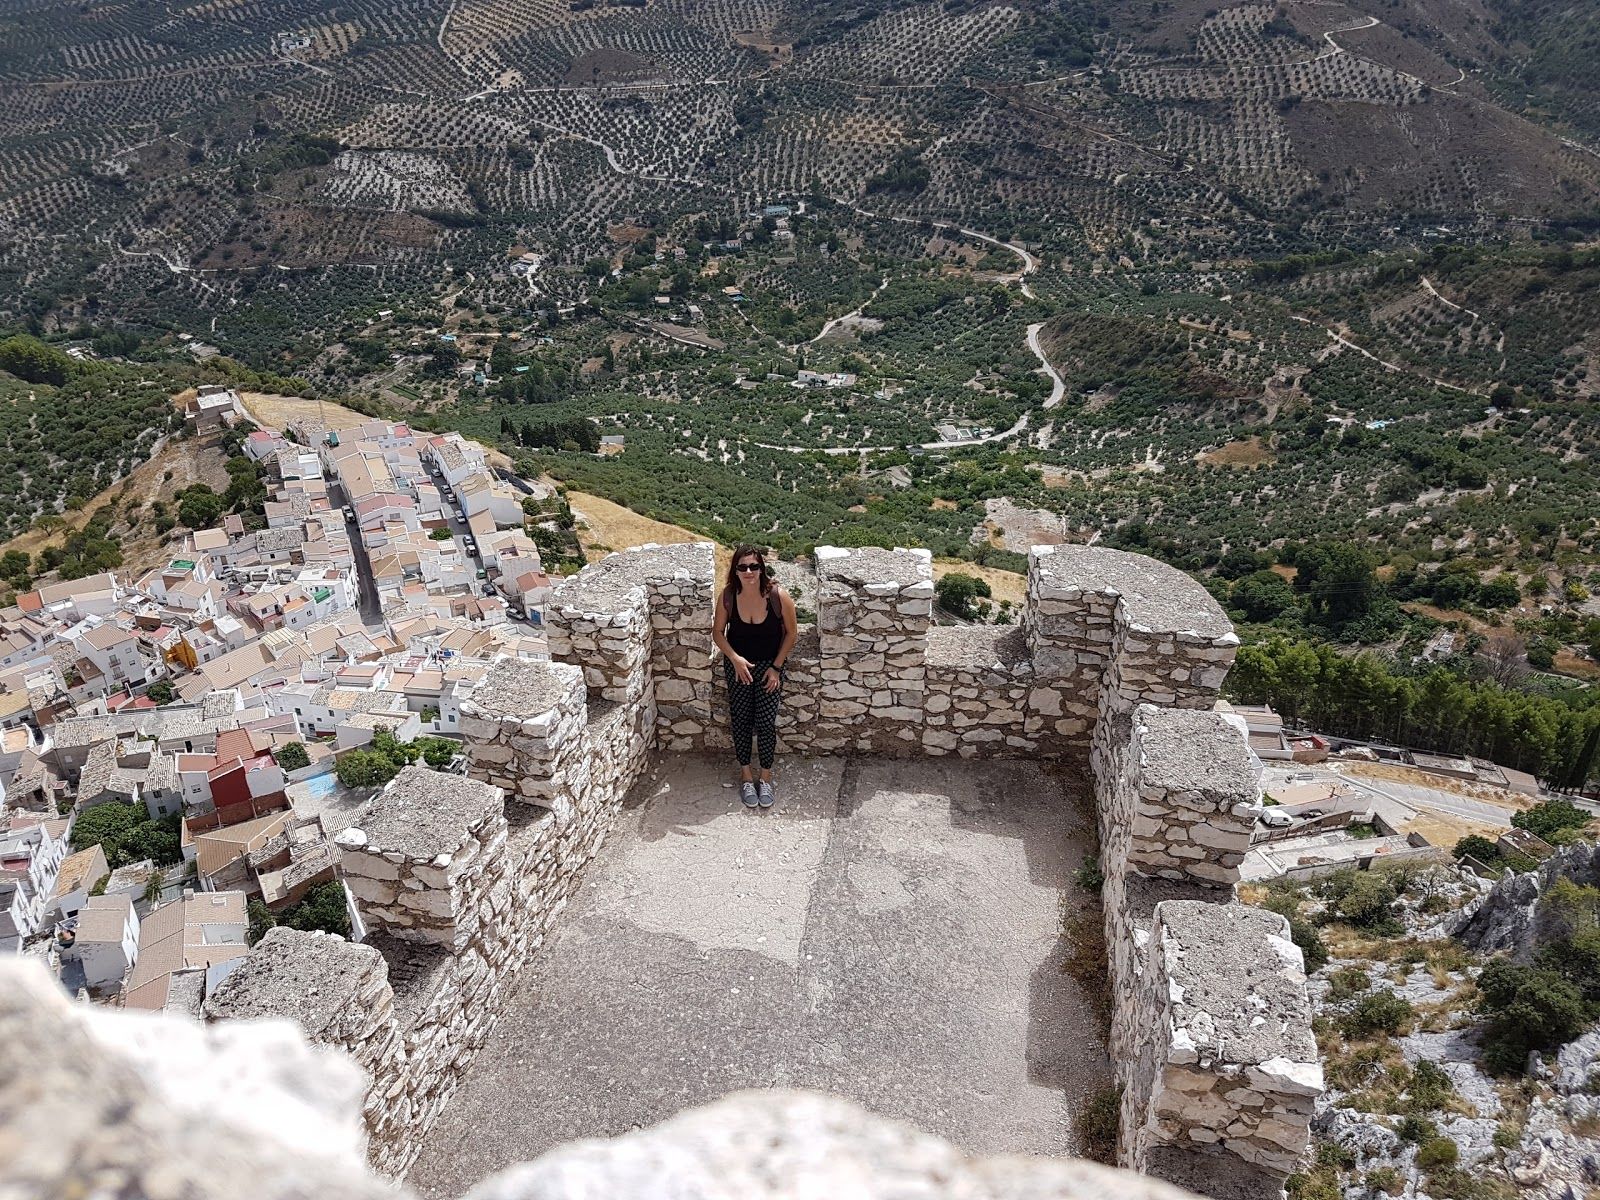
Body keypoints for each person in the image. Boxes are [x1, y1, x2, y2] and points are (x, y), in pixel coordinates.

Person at [711, 545, 798, 809]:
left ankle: (766, 778)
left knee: (766, 723)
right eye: (743, 567)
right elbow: (717, 632)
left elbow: (792, 634)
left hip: (769, 668)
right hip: (739, 668)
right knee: (741, 721)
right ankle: (747, 776)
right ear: (735, 570)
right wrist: (735, 659)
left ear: (761, 568)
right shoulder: (728, 596)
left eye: (754, 566)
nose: (748, 571)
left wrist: (776, 667)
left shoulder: (778, 596)